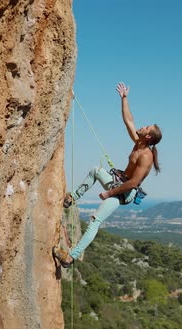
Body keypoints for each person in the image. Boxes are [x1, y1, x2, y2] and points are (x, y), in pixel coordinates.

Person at [53, 82, 162, 267]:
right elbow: (129, 121)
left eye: (147, 127)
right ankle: (73, 198)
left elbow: (134, 182)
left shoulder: (146, 156)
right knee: (96, 170)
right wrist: (124, 99)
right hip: (119, 183)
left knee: (95, 220)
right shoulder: (138, 143)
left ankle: (71, 257)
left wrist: (109, 193)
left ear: (149, 136)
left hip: (124, 193)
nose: (142, 126)